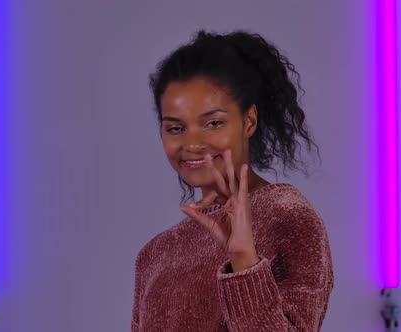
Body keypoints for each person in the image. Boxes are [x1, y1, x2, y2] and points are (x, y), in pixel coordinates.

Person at [131, 30, 334, 332]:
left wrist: (243, 261)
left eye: (212, 123)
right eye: (175, 128)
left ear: (249, 121)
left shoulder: (288, 217)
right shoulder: (154, 253)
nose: (193, 143)